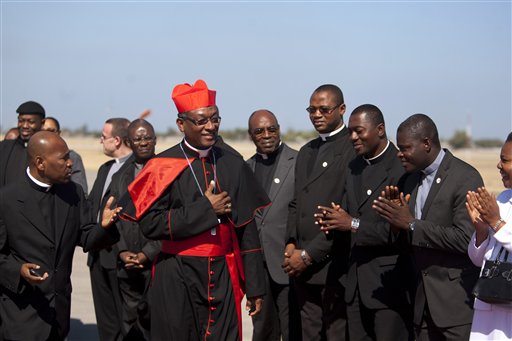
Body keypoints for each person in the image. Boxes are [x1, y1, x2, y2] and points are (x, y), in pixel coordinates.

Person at [120, 79, 270, 340]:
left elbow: (247, 229)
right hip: (176, 273)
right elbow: (150, 224)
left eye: (215, 119)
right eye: (201, 121)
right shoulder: (162, 164)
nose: (210, 127)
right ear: (181, 124)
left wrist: (256, 287)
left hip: (222, 273)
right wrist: (205, 210)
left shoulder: (231, 161)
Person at [0, 131, 121, 340]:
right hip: (21, 316)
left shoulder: (72, 192)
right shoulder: (6, 200)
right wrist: (18, 270)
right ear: (40, 163)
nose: (70, 163)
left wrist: (104, 226)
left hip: (59, 316)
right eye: (63, 158)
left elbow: (86, 238)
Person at [372, 113, 484, 341]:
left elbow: (466, 240)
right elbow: (406, 238)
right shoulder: (409, 180)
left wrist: (411, 224)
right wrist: (395, 223)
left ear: (426, 143)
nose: (399, 153)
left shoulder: (465, 178)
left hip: (455, 306)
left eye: (405, 148)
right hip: (420, 304)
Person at [318, 104, 414, 340]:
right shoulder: (354, 166)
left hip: (388, 287)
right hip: (355, 286)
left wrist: (352, 224)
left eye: (359, 131)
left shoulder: (402, 169)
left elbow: (400, 232)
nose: (352, 137)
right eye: (350, 131)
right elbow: (348, 212)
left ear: (380, 129)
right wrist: (331, 220)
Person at [283, 84, 355, 340]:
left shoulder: (352, 149)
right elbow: (296, 203)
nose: (317, 115)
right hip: (301, 266)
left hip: (332, 262)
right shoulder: (306, 151)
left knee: (336, 333)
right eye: (311, 110)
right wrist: (291, 243)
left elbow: (344, 212)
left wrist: (309, 255)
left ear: (341, 109)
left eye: (324, 109)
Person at [246, 109, 301, 341]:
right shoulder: (246, 168)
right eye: (259, 131)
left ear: (279, 130)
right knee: (263, 331)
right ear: (251, 135)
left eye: (272, 129)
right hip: (259, 269)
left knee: (293, 330)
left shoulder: (298, 161)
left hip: (289, 263)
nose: (266, 134)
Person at [110, 119, 160, 340]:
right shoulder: (120, 176)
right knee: (130, 323)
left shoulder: (168, 171)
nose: (143, 143)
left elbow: (174, 219)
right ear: (129, 142)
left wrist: (147, 253)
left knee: (156, 320)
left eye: (147, 137)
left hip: (158, 261)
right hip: (127, 262)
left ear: (155, 140)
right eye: (137, 139)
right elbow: (114, 216)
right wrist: (122, 251)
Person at [88, 118, 132, 341]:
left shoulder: (137, 167)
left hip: (121, 257)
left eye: (103, 137)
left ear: (116, 140)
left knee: (126, 321)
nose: (100, 141)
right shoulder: (105, 169)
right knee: (106, 324)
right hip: (98, 256)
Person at [465, 132, 512, 341]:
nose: (499, 166)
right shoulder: (502, 199)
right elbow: (478, 260)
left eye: (505, 160)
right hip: (489, 308)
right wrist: (482, 230)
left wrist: (496, 223)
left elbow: (502, 231)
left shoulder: (497, 210)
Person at [0, 101, 45, 186]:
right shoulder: (3, 147)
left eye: (31, 122)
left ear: (42, 123)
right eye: (21, 121)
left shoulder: (47, 150)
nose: (24, 126)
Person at [42, 116, 88, 194]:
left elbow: (81, 192)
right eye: (43, 131)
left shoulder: (73, 157)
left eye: (51, 131)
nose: (48, 135)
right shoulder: (32, 156)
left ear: (59, 133)